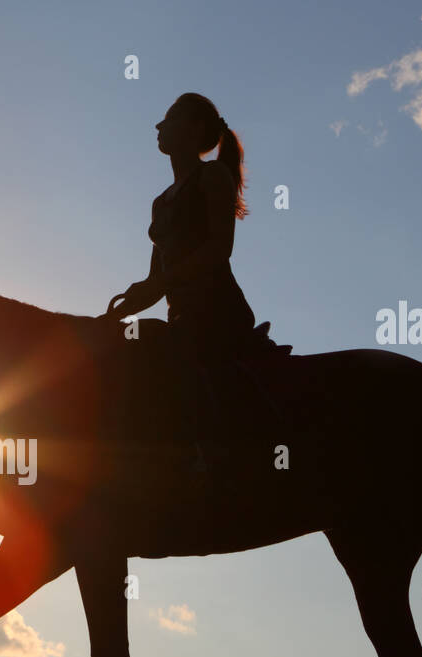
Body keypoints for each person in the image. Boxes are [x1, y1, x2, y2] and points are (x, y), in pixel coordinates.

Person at [105, 93, 277, 474]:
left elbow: (220, 249)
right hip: (183, 316)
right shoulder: (160, 203)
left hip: (218, 312)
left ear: (194, 129)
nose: (158, 126)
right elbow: (156, 280)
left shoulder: (212, 175)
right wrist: (123, 307)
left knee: (165, 358)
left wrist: (160, 282)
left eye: (167, 119)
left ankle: (208, 455)